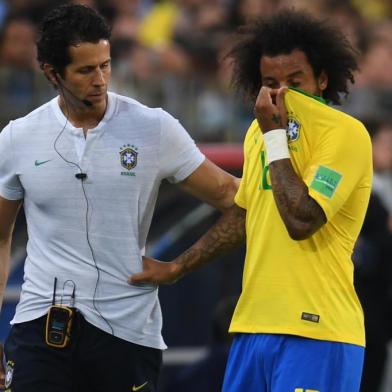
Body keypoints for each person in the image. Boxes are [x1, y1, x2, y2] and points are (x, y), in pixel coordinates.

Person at [131, 10, 373, 392]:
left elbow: (302, 221)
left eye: (296, 82)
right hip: (251, 327)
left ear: (322, 79)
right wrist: (177, 267)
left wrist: (276, 137)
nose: (281, 95)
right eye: (270, 83)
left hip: (317, 329)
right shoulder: (258, 134)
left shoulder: (345, 134)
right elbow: (245, 215)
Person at [0, 4, 238, 392]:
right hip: (40, 326)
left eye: (105, 65)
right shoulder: (17, 137)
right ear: (51, 73)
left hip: (126, 331)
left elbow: (234, 197)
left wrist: (181, 265)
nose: (100, 80)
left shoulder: (154, 128)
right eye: (85, 70)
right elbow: (0, 235)